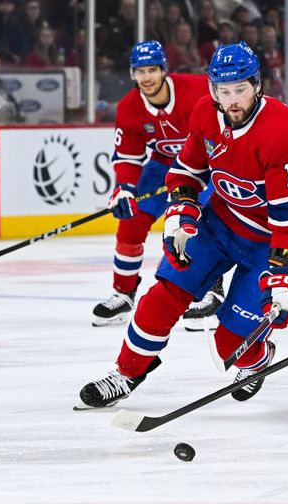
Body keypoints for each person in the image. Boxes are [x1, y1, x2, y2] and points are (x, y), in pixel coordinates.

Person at [76, 41, 288, 410]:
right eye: (223, 90)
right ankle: (126, 373)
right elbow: (187, 170)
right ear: (213, 89)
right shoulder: (205, 112)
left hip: (266, 239)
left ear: (257, 85)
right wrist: (182, 212)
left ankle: (257, 358)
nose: (232, 100)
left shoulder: (285, 133)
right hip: (219, 222)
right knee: (163, 296)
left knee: (230, 345)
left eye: (240, 90)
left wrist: (283, 280)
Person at [92, 40, 223, 329]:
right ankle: (124, 294)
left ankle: (212, 295)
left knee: (199, 221)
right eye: (140, 71)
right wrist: (125, 187)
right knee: (131, 220)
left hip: (208, 165)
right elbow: (127, 155)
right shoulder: (129, 107)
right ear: (132, 74)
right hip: (163, 166)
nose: (147, 77)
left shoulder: (197, 89)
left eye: (152, 70)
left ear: (164, 70)